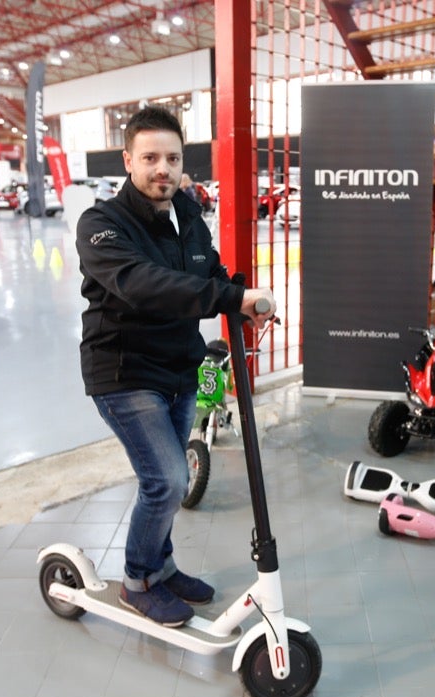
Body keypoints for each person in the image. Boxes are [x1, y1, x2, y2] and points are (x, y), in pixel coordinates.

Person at [76, 105, 276, 626]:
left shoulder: (186, 211)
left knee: (172, 481)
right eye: (150, 158)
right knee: (166, 480)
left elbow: (206, 267)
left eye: (172, 158)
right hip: (123, 372)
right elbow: (143, 285)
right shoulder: (101, 223)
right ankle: (138, 579)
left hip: (178, 367)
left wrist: (239, 298)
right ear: (128, 160)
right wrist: (226, 297)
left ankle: (162, 568)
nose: (162, 168)